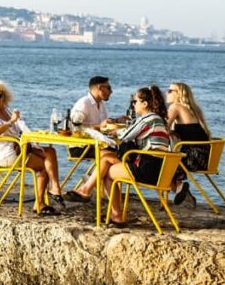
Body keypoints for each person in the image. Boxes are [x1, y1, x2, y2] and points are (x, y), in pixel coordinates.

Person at [73, 85, 171, 226]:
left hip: (147, 169)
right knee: (105, 157)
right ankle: (90, 194)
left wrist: (112, 132)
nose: (133, 104)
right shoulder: (157, 119)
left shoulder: (148, 118)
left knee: (105, 169)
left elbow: (126, 135)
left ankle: (90, 193)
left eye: (135, 101)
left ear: (145, 104)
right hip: (158, 168)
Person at [0, 78, 65, 215]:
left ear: (4, 96)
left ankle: (55, 188)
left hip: (20, 148)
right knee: (44, 166)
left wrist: (31, 143)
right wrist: (12, 121)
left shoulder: (6, 111)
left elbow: (20, 130)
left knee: (50, 152)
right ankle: (40, 203)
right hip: (7, 155)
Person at [166, 82, 211, 204]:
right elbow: (189, 132)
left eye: (170, 91)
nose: (166, 93)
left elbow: (163, 128)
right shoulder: (193, 109)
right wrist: (174, 133)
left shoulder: (175, 107)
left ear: (178, 94)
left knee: (162, 162)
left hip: (193, 158)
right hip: (205, 158)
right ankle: (183, 192)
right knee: (167, 159)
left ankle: (180, 188)